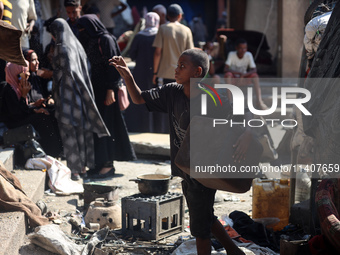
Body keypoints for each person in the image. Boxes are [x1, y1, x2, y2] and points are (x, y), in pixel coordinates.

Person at [110, 49, 248, 255]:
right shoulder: (172, 91)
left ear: (197, 72)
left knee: (199, 229)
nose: (176, 69)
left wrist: (248, 135)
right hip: (185, 166)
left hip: (205, 170)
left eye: (182, 66)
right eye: (177, 65)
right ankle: (233, 250)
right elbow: (139, 99)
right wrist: (128, 76)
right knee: (204, 216)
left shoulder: (213, 98)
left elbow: (241, 119)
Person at [49, 18, 110, 181]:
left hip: (67, 96)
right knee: (81, 131)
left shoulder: (62, 47)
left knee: (68, 131)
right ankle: (83, 168)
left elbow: (63, 72)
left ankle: (74, 171)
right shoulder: (77, 45)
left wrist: (53, 81)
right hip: (81, 94)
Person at [77, 14, 136, 178]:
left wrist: (111, 89)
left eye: (83, 28)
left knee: (107, 127)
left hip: (106, 92)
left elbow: (114, 65)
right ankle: (99, 163)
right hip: (95, 92)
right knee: (97, 128)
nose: (81, 31)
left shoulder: (106, 40)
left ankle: (107, 166)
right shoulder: (91, 39)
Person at [2, 61, 63, 158]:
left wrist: (34, 108)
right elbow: (17, 114)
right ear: (16, 74)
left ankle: (58, 150)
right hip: (14, 123)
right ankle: (52, 152)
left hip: (20, 117)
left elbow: (23, 109)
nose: (27, 78)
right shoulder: (9, 89)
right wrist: (24, 95)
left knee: (48, 113)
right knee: (42, 119)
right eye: (24, 75)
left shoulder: (16, 87)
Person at [152, 3, 194, 133]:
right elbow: (190, 53)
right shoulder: (186, 30)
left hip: (165, 73)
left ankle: (166, 130)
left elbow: (158, 52)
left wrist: (155, 72)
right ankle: (181, 131)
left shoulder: (163, 29)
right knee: (182, 104)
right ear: (180, 16)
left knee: (167, 103)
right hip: (183, 74)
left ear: (167, 16)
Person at [125, 12, 159, 133]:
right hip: (155, 73)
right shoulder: (159, 35)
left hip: (140, 72)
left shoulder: (139, 36)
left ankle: (140, 127)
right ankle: (155, 128)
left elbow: (132, 54)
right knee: (155, 98)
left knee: (140, 98)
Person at [224, 38, 267, 110]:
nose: (243, 50)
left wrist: (243, 75)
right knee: (228, 75)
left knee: (255, 76)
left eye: (245, 48)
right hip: (234, 79)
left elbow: (254, 70)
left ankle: (259, 102)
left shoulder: (248, 55)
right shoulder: (231, 54)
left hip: (243, 79)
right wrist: (240, 73)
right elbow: (226, 69)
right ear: (236, 48)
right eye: (241, 48)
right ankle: (229, 101)